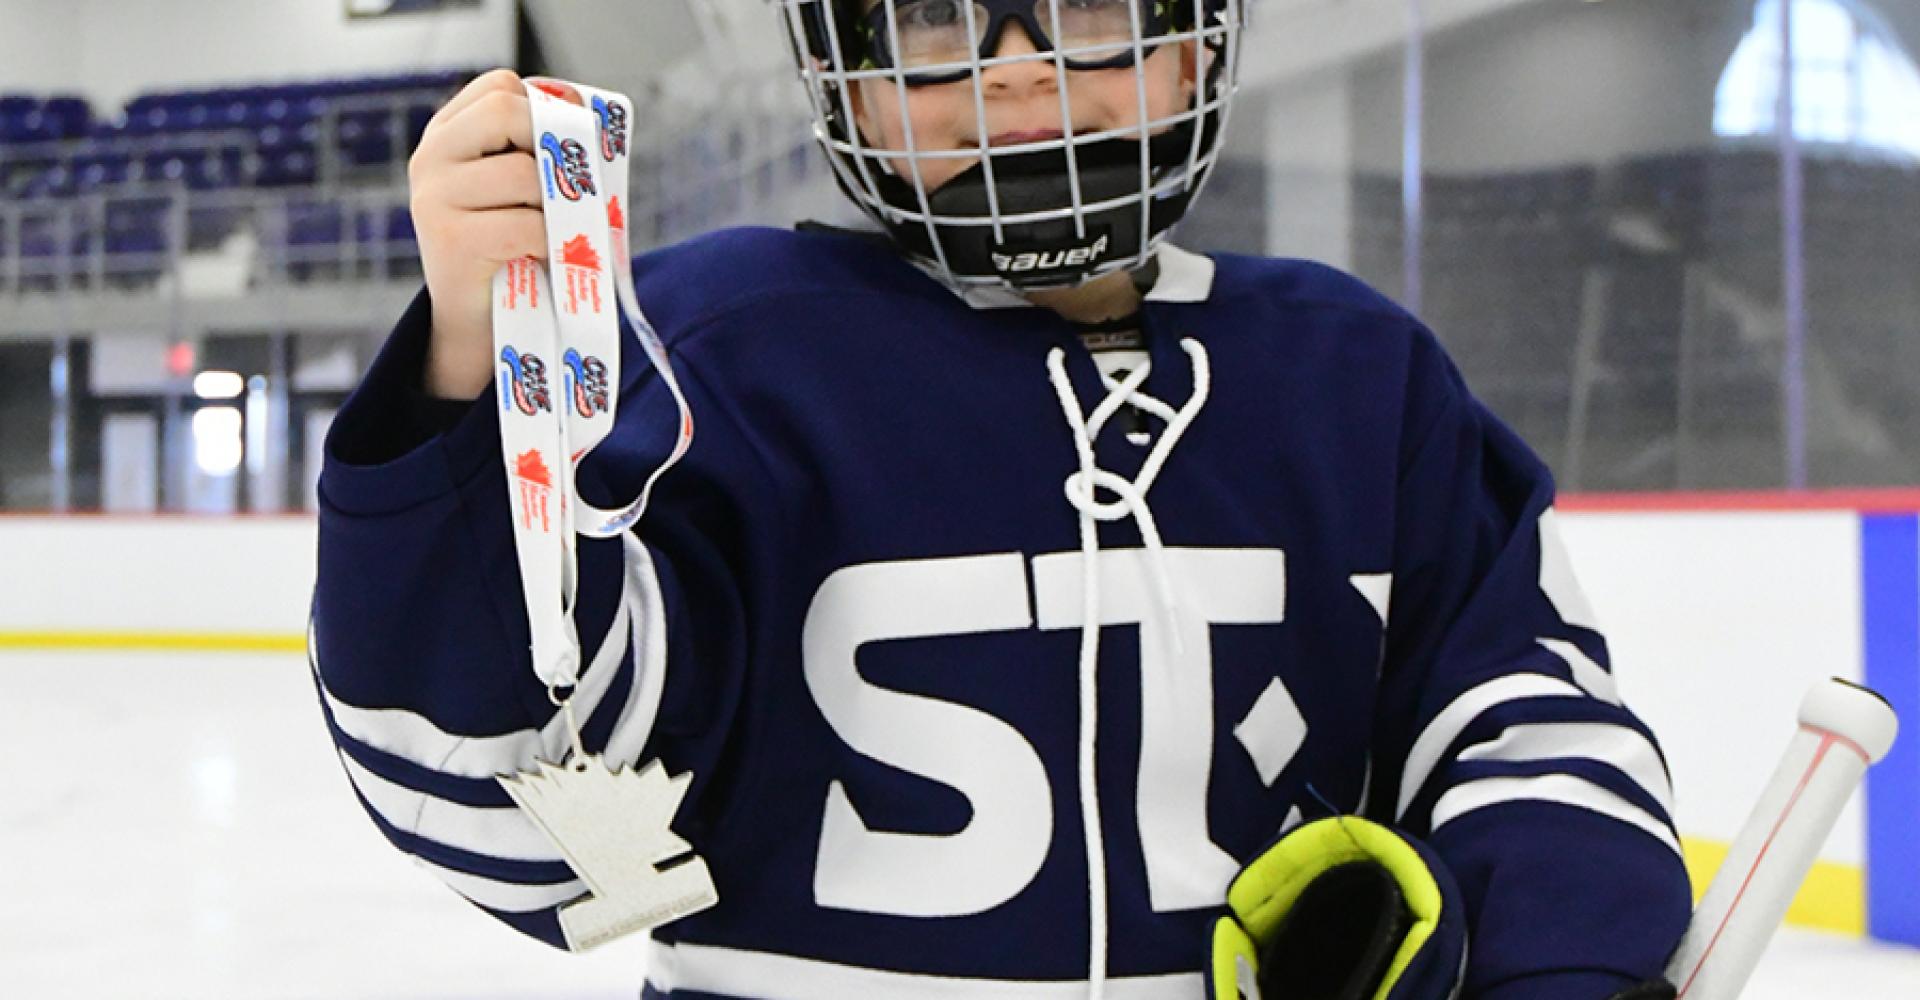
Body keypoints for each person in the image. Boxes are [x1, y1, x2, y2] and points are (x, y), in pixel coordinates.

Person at [310, 1, 1692, 997]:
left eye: (1087, 6)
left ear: (1197, 35)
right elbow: (519, 816)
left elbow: (1526, 720)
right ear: (840, 63)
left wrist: (1559, 967)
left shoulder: (1358, 375)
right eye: (931, 19)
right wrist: (467, 379)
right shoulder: (705, 357)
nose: (1016, 73)